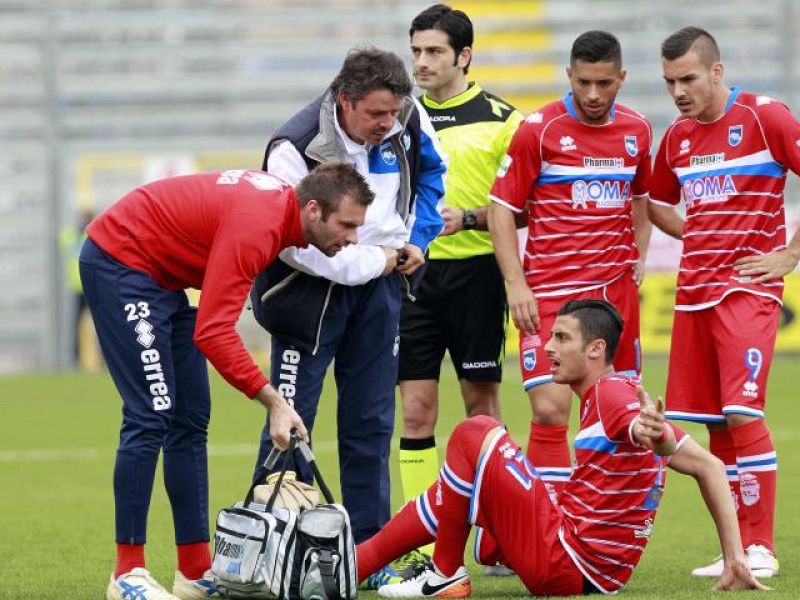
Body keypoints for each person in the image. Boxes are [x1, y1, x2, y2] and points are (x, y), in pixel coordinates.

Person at [80, 164, 374, 600]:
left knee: (191, 418)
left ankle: (195, 571)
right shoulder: (259, 227)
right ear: (313, 210)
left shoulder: (279, 216)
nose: (352, 238)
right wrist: (274, 402)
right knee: (151, 413)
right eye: (347, 224)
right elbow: (213, 332)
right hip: (121, 261)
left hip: (162, 277)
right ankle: (127, 573)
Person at [354, 299, 766, 597]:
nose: (548, 348)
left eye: (561, 338)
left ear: (595, 349)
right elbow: (710, 466)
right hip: (590, 568)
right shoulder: (609, 394)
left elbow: (645, 432)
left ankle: (443, 573)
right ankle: (357, 566)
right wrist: (735, 558)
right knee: (456, 489)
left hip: (568, 561)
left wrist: (653, 434)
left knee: (476, 432)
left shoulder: (611, 395)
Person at [250, 47, 446, 561]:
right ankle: (274, 549)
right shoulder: (293, 147)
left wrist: (417, 241)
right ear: (343, 100)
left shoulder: (407, 114)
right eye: (374, 114)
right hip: (308, 290)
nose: (387, 123)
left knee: (372, 421)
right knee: (290, 423)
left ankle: (369, 553)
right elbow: (295, 243)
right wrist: (375, 260)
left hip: (382, 288)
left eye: (392, 112)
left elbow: (432, 177)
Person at [649, 26, 800, 578]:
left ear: (716, 71)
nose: (678, 91)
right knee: (716, 424)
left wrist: (789, 255)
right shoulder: (679, 135)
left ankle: (761, 544)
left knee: (742, 411)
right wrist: (698, 230)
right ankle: (735, 550)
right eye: (669, 81)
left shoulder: (766, 117)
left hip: (747, 287)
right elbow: (657, 203)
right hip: (693, 295)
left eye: (687, 78)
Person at [488, 31, 652, 500]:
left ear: (621, 77)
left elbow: (640, 197)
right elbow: (501, 209)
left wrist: (638, 252)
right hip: (551, 291)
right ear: (569, 76)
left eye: (605, 83)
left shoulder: (638, 129)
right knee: (550, 410)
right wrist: (515, 283)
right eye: (584, 83)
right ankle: (542, 527)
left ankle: (594, 520)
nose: (594, 94)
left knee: (616, 412)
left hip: (613, 296)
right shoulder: (539, 129)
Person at [396, 3, 523, 569]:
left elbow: (523, 210)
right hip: (412, 276)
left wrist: (468, 218)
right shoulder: (397, 117)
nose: (421, 62)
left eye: (433, 52)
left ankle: (494, 536)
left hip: (476, 276)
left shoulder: (506, 119)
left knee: (481, 409)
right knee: (417, 413)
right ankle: (421, 545)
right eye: (416, 50)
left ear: (463, 56)